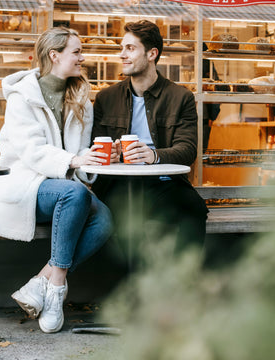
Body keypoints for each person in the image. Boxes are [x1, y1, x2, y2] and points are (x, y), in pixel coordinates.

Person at [0, 27, 113, 333]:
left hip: (63, 189)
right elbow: (31, 151)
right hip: (22, 185)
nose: (82, 57)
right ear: (54, 55)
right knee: (75, 194)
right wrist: (73, 161)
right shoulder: (23, 96)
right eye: (76, 51)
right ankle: (57, 292)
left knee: (105, 220)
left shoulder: (81, 99)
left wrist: (91, 159)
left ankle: (46, 281)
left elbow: (81, 149)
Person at [92, 20, 208, 258]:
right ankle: (134, 286)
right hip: (118, 186)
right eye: (122, 48)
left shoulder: (181, 97)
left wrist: (154, 155)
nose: (121, 55)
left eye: (130, 48)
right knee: (126, 220)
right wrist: (109, 156)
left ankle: (182, 280)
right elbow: (93, 145)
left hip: (163, 183)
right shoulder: (106, 97)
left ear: (152, 54)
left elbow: (188, 149)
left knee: (194, 208)